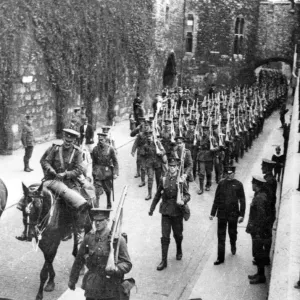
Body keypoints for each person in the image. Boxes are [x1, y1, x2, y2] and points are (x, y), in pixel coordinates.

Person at [68, 208, 133, 300]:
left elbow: (127, 264)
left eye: (101, 220)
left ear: (107, 221)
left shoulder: (117, 240)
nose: (97, 223)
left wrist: (116, 268)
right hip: (92, 284)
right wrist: (72, 279)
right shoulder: (89, 238)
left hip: (111, 286)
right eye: (96, 221)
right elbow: (79, 259)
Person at [149, 158, 191, 271]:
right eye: (170, 166)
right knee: (164, 237)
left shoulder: (181, 181)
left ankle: (179, 249)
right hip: (166, 211)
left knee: (178, 234)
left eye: (174, 166)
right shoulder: (163, 180)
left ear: (177, 167)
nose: (172, 168)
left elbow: (188, 195)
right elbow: (157, 195)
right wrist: (151, 208)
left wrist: (183, 200)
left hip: (177, 212)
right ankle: (164, 261)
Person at [209, 166, 246, 265]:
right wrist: (212, 213)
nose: (229, 175)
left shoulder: (238, 185)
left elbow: (242, 201)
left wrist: (242, 215)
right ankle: (220, 258)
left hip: (233, 214)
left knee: (232, 233)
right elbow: (216, 199)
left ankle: (233, 244)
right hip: (222, 214)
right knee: (221, 236)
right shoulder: (221, 183)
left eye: (231, 173)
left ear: (234, 173)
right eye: (227, 173)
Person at [246, 176, 269, 284]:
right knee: (257, 253)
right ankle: (259, 273)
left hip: (258, 231)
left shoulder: (260, 198)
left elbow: (261, 216)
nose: (252, 185)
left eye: (253, 184)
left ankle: (261, 276)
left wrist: (258, 232)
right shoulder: (259, 195)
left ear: (257, 185)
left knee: (259, 253)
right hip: (257, 230)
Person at [91, 133, 119, 209]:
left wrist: (116, 173)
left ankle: (108, 202)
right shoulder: (95, 149)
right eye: (99, 140)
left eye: (102, 140)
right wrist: (93, 172)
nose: (100, 142)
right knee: (97, 189)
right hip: (98, 171)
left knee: (108, 189)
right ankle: (97, 204)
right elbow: (94, 162)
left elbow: (115, 161)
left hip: (107, 172)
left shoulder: (110, 149)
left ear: (105, 140)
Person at [140, 129, 166, 200]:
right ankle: (149, 194)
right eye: (148, 137)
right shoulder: (145, 145)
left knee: (158, 179)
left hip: (158, 163)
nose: (149, 138)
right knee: (150, 178)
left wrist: (160, 153)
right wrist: (144, 164)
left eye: (150, 136)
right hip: (149, 164)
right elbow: (142, 155)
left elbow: (164, 151)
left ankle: (158, 193)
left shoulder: (157, 143)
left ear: (153, 136)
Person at [261, 158, 277, 265]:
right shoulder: (268, 179)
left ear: (267, 168)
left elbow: (269, 198)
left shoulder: (269, 181)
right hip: (268, 212)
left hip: (268, 213)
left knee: (266, 235)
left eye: (263, 166)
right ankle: (264, 257)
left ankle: (265, 258)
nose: (261, 168)